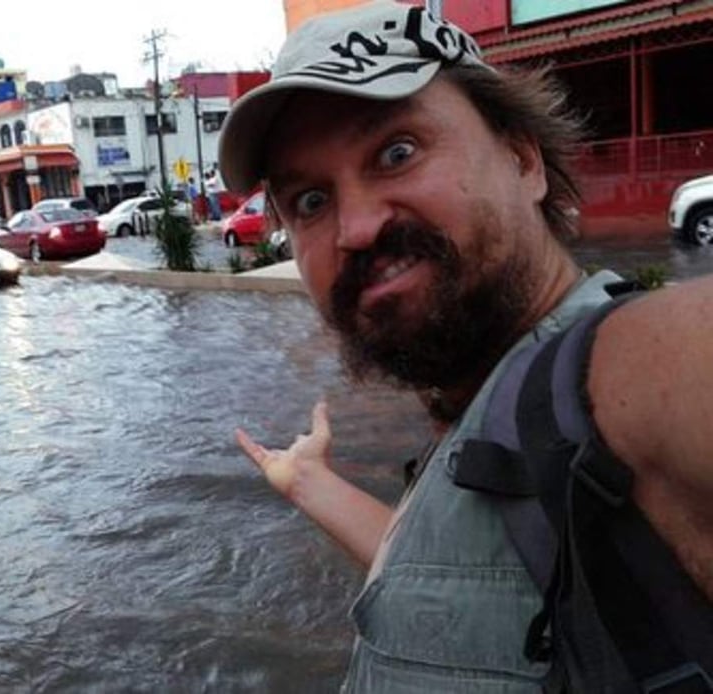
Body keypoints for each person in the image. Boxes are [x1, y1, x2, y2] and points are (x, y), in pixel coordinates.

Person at [218, 1, 712, 691]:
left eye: (396, 152)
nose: (354, 227)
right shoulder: (491, 415)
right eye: (308, 201)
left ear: (522, 159)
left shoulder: (622, 367)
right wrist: (309, 482)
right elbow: (449, 577)